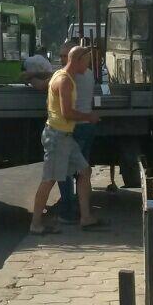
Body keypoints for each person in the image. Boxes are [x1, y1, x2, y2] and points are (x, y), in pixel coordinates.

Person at [30, 45, 105, 235]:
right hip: (58, 137)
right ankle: (36, 224)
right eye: (86, 61)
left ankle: (86, 217)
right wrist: (89, 117)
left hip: (65, 137)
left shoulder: (63, 75)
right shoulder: (65, 80)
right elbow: (67, 113)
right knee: (49, 180)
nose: (88, 65)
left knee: (85, 171)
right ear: (77, 61)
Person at [55, 42, 98, 223]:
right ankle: (84, 210)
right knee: (83, 170)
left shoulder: (69, 77)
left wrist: (31, 77)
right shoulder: (88, 74)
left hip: (74, 127)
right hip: (87, 127)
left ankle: (67, 210)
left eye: (66, 56)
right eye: (61, 56)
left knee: (64, 171)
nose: (62, 60)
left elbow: (47, 83)